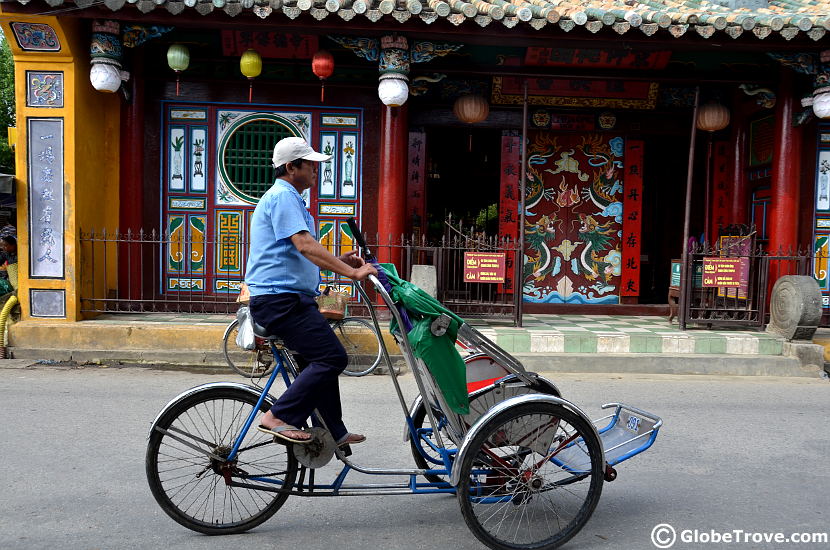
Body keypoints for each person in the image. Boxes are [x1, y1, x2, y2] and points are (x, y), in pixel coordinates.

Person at [246, 136, 377, 446]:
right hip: (280, 301)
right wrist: (353, 272)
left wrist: (339, 262)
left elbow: (301, 253)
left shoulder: (291, 199)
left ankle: (333, 429)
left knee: (320, 360)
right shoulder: (282, 197)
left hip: (290, 299)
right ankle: (279, 416)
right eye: (311, 165)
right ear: (292, 167)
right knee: (332, 357)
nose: (316, 171)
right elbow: (305, 246)